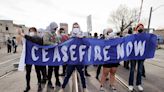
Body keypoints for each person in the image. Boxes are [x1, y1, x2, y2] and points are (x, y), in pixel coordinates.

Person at [61, 22, 87, 92]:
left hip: (79, 61)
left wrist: (83, 38)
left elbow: (88, 45)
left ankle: (84, 88)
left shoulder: (82, 38)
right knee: (67, 76)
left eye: (77, 27)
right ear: (72, 29)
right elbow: (65, 47)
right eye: (74, 27)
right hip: (71, 61)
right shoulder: (70, 38)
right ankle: (62, 88)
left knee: (82, 76)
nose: (76, 28)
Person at [20, 27, 46, 92]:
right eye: (30, 31)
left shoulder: (38, 38)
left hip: (36, 58)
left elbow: (34, 39)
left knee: (38, 72)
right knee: (28, 72)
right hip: (29, 58)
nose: (31, 32)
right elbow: (22, 44)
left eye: (32, 31)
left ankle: (39, 85)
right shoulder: (27, 38)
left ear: (35, 32)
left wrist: (24, 35)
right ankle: (28, 86)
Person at [43, 22, 61, 88]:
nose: (55, 29)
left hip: (56, 54)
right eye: (55, 28)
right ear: (51, 27)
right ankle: (49, 81)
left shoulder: (54, 34)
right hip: (50, 54)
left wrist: (58, 41)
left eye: (56, 28)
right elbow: (45, 42)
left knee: (57, 69)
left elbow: (57, 41)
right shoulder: (47, 33)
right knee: (50, 69)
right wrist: (53, 44)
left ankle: (57, 81)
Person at [128, 23, 145, 92]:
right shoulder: (133, 35)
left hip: (141, 56)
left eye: (142, 28)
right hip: (133, 56)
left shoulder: (145, 36)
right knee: (132, 70)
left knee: (140, 71)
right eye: (139, 27)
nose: (141, 29)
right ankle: (130, 84)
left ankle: (139, 84)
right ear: (136, 28)